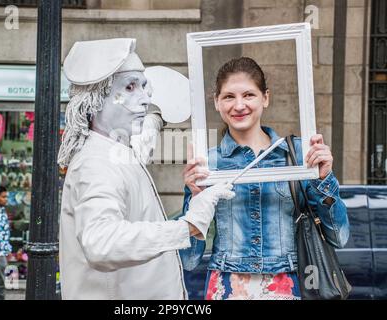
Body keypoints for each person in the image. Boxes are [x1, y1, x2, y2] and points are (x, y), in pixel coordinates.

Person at [58, 38, 235, 300]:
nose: (144, 99)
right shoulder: (96, 165)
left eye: (144, 87)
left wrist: (156, 118)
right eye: (129, 87)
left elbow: (145, 140)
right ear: (95, 100)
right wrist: (187, 226)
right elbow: (102, 243)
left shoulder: (119, 151)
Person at [179, 57, 350, 300]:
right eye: (229, 96)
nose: (239, 105)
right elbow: (189, 259)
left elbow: (339, 236)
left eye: (249, 95)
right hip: (227, 288)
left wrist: (325, 179)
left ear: (265, 98)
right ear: (217, 102)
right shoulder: (207, 164)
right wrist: (194, 198)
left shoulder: (300, 156)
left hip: (287, 287)